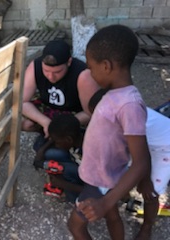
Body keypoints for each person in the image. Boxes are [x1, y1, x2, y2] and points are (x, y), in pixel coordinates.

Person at [67, 24, 152, 240]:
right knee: (113, 217)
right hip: (100, 174)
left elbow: (141, 161)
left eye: (91, 67)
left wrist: (105, 201)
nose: (89, 73)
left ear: (106, 66)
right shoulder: (114, 94)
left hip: (103, 181)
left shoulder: (129, 105)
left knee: (75, 226)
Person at [88, 89, 170, 240]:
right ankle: (125, 194)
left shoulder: (133, 122)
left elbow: (143, 157)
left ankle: (147, 227)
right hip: (145, 145)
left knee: (151, 192)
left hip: (165, 149)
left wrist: (145, 180)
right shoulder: (122, 114)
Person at [21, 39, 99, 139]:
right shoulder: (35, 66)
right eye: (46, 71)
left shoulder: (83, 75)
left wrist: (64, 125)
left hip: (73, 114)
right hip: (47, 109)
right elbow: (22, 102)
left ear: (69, 62)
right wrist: (45, 122)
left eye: (57, 72)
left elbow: (91, 112)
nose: (50, 76)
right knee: (25, 124)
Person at [33, 114, 84, 202]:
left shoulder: (89, 152)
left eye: (56, 141)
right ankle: (63, 181)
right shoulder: (76, 135)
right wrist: (42, 150)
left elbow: (96, 189)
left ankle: (71, 194)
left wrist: (63, 184)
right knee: (51, 154)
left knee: (63, 169)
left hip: (89, 183)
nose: (55, 144)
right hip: (77, 165)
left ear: (69, 140)